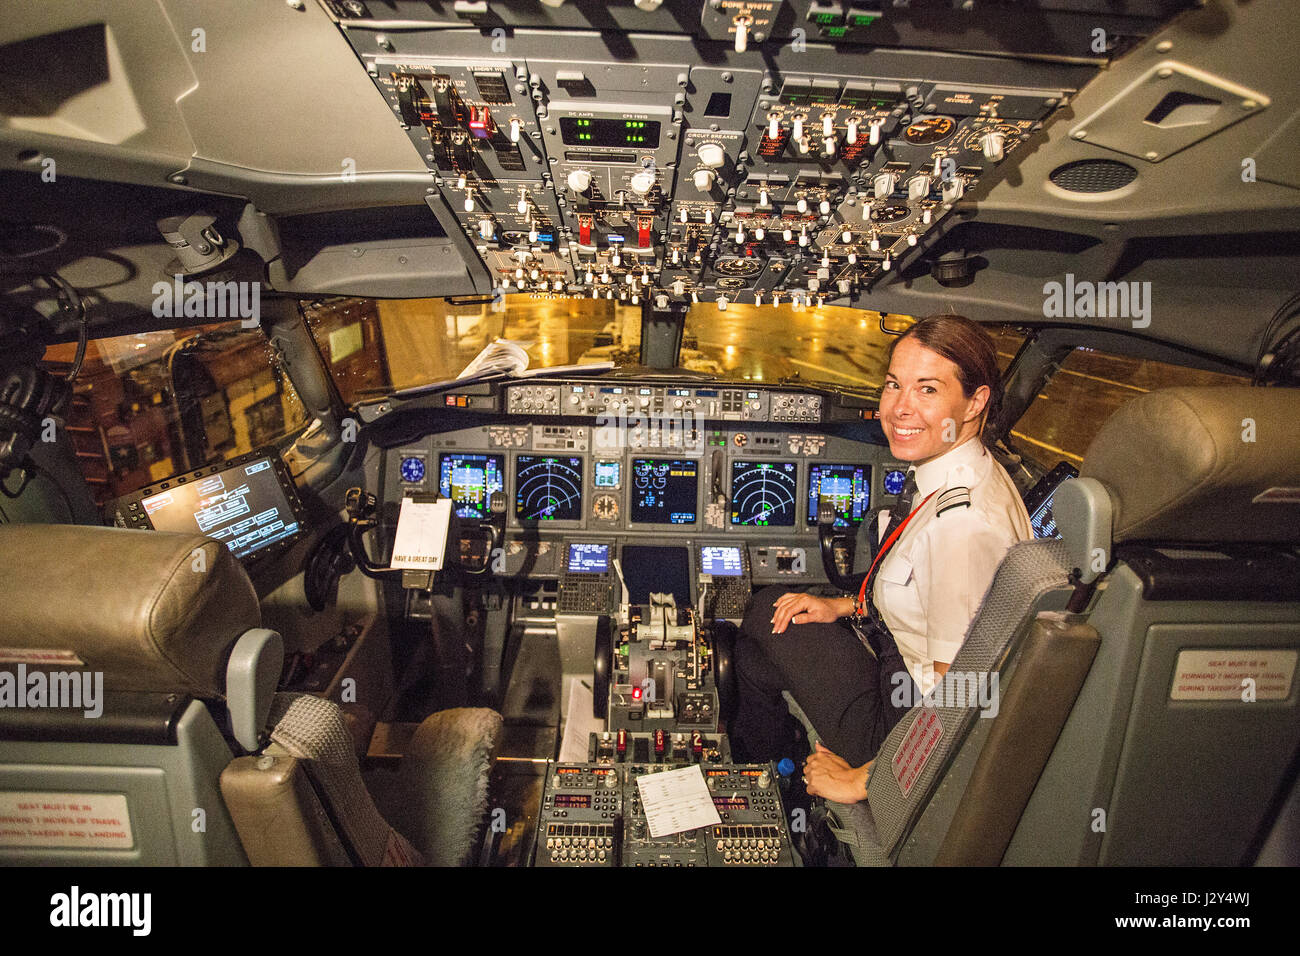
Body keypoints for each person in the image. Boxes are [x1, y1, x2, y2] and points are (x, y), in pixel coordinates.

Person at [729, 314, 1032, 804]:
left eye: (928, 389)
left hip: (904, 721)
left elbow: (960, 704)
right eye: (894, 385)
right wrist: (843, 607)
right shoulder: (963, 476)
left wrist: (863, 780)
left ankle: (768, 785)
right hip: (900, 666)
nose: (899, 409)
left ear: (976, 402)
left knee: (765, 611)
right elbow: (924, 595)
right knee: (759, 650)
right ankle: (774, 778)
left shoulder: (962, 529)